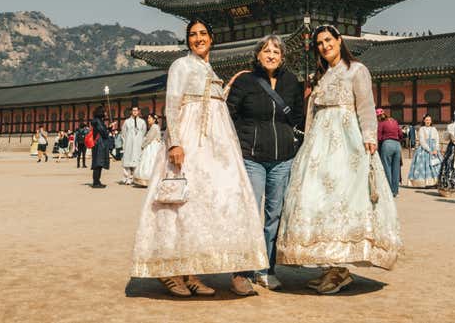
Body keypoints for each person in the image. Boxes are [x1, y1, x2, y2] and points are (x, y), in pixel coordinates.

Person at [131, 18, 267, 298]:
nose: (198, 38)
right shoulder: (181, 65)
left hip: (215, 149)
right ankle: (169, 271)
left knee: (199, 206)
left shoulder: (208, 68)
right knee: (179, 204)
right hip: (190, 143)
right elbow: (172, 103)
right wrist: (175, 143)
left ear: (212, 38)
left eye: (203, 33)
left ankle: (189, 271)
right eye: (192, 34)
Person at [277, 25, 400, 295]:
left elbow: (365, 105)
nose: (324, 46)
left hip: (347, 141)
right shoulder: (320, 77)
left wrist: (369, 137)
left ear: (339, 40)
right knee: (317, 199)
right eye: (319, 43)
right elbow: (311, 114)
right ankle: (330, 267)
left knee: (343, 198)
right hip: (319, 143)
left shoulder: (357, 70)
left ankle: (341, 270)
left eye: (328, 40)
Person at [226, 34, 304, 294]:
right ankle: (242, 270)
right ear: (257, 54)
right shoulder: (246, 81)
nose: (271, 55)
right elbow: (230, 114)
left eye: (276, 52)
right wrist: (240, 143)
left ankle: (266, 269)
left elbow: (300, 118)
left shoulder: (291, 82)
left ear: (283, 57)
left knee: (274, 216)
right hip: (252, 157)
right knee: (249, 212)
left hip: (283, 157)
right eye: (266, 50)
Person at [406, 114, 442, 188]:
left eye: (429, 120)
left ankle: (436, 182)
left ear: (431, 121)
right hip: (424, 149)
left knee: (436, 164)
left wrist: (436, 149)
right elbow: (422, 141)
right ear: (424, 121)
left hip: (434, 148)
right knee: (424, 166)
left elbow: (437, 139)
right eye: (426, 120)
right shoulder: (422, 129)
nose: (428, 121)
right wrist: (429, 150)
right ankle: (424, 183)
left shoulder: (434, 129)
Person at [376, 109, 403, 197]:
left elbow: (379, 137)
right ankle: (396, 191)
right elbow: (401, 134)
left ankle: (389, 191)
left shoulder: (381, 123)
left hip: (387, 144)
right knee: (396, 168)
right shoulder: (394, 121)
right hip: (397, 145)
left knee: (387, 167)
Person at [133, 113, 162, 187]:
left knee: (149, 161)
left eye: (150, 118)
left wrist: (143, 145)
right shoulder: (155, 126)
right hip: (154, 145)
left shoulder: (154, 127)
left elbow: (149, 138)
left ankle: (149, 180)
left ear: (154, 119)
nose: (148, 120)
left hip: (152, 146)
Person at [121, 107, 147, 185]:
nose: (135, 112)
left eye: (136, 110)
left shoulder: (142, 122)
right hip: (128, 144)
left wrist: (141, 142)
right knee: (127, 162)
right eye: (133, 110)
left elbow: (144, 132)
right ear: (131, 112)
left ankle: (134, 178)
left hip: (138, 144)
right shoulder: (127, 121)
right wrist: (125, 143)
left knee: (136, 161)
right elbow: (123, 133)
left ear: (139, 111)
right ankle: (127, 178)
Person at [90, 107, 114, 188]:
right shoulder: (98, 121)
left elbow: (103, 130)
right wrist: (109, 129)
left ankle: (97, 181)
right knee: (98, 163)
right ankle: (95, 182)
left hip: (99, 144)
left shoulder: (98, 121)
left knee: (99, 163)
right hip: (99, 145)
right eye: (105, 112)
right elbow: (104, 133)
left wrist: (109, 128)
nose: (106, 114)